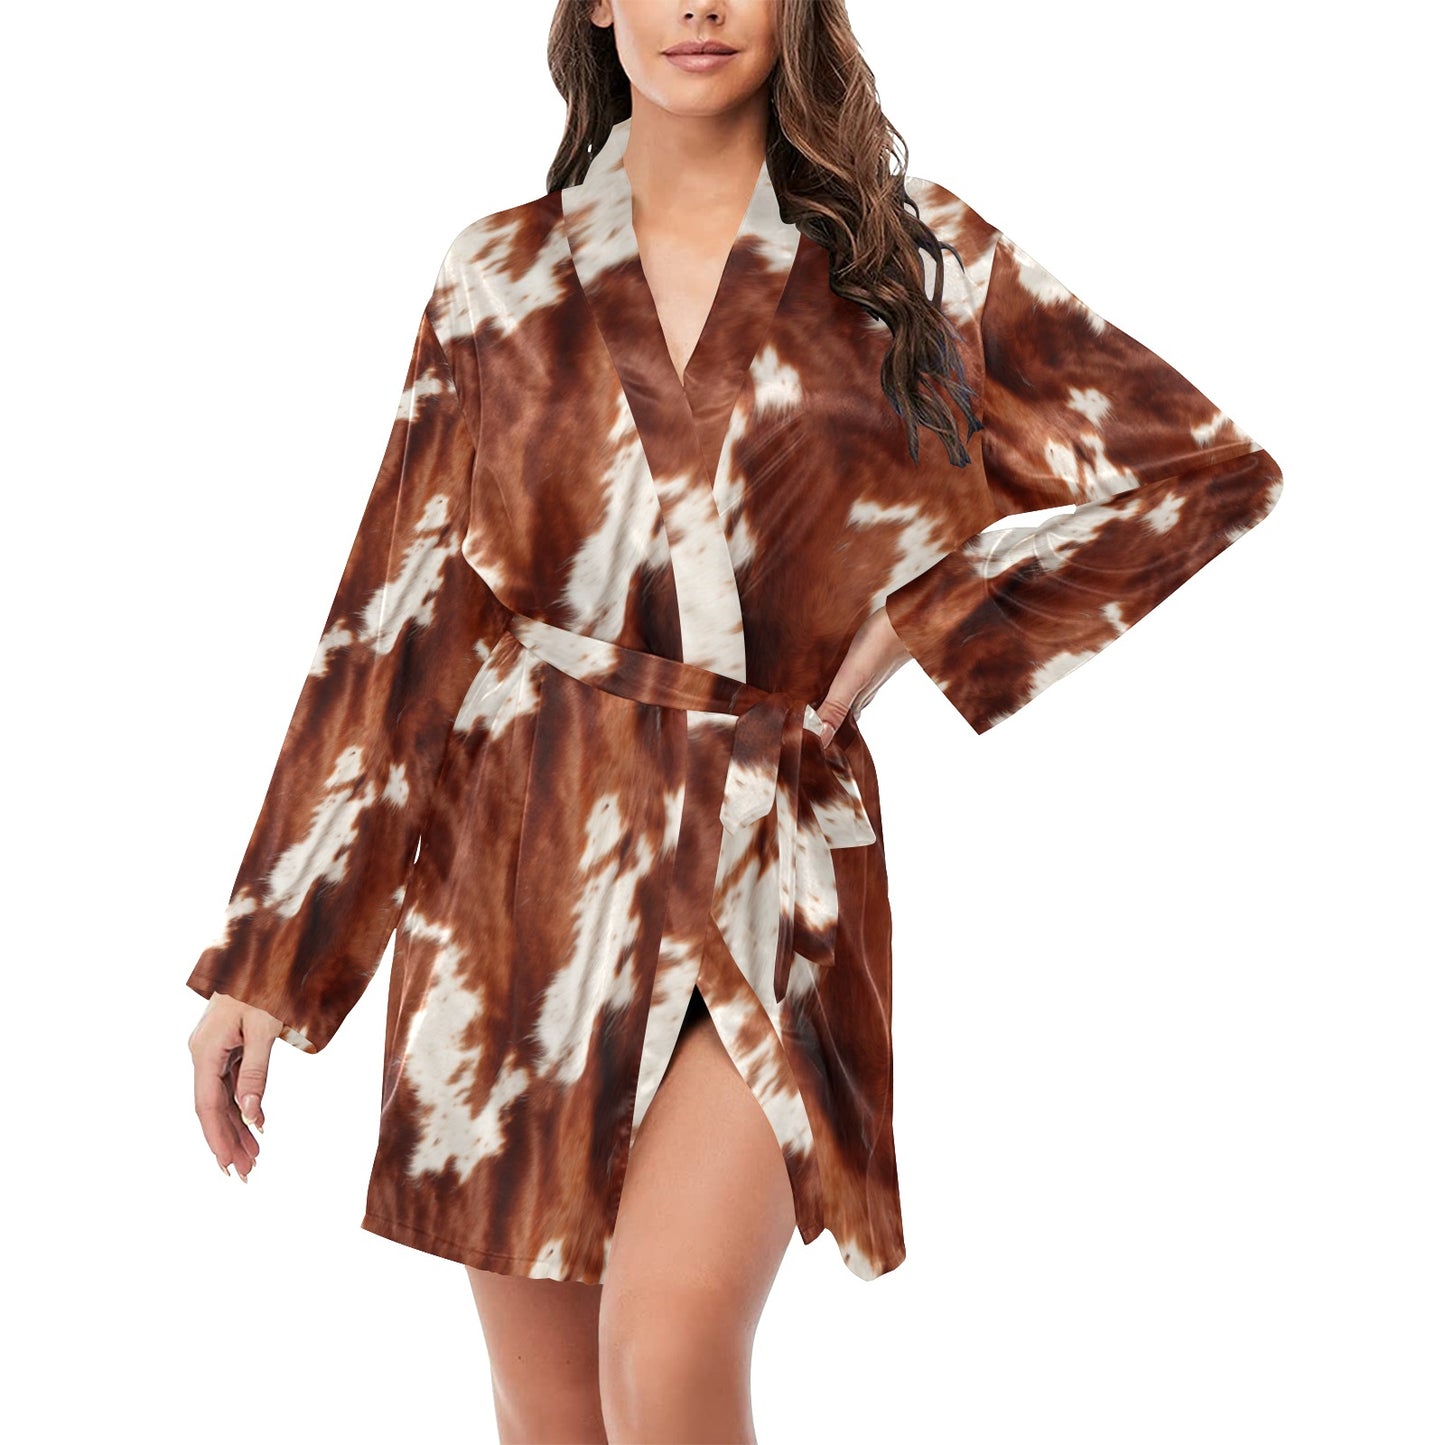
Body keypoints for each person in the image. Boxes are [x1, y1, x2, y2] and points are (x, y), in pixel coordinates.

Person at [185, 1, 1284, 1439]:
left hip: (769, 855)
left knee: (669, 1345)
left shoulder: (911, 261)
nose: (699, 6)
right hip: (519, 859)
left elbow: (1200, 476)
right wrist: (267, 964)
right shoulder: (499, 274)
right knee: (552, 1403)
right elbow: (398, 620)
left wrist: (933, 615)